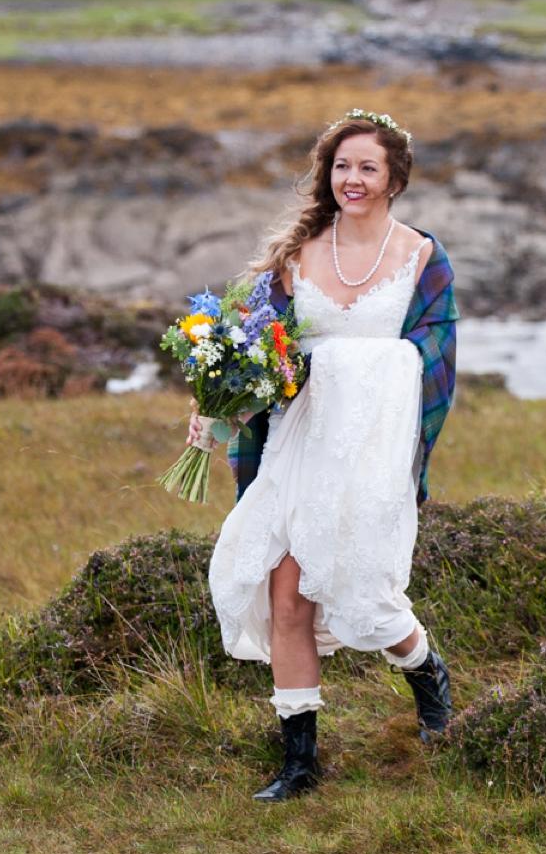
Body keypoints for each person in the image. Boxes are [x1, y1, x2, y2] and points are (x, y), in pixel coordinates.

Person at [195, 107, 460, 803]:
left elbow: (435, 357)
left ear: (394, 178)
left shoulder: (422, 258)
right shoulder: (296, 257)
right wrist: (220, 408)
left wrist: (365, 370)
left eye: (368, 166)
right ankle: (299, 761)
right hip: (299, 441)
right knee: (285, 594)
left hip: (372, 446)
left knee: (365, 595)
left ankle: (426, 671)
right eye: (342, 165)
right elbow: (253, 349)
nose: (353, 178)